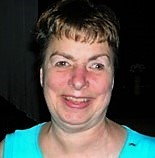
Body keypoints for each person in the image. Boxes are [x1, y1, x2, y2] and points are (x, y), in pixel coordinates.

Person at [0, 0, 155, 157]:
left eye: (96, 66)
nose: (78, 81)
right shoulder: (8, 151)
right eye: (63, 63)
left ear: (112, 79)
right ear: (42, 75)